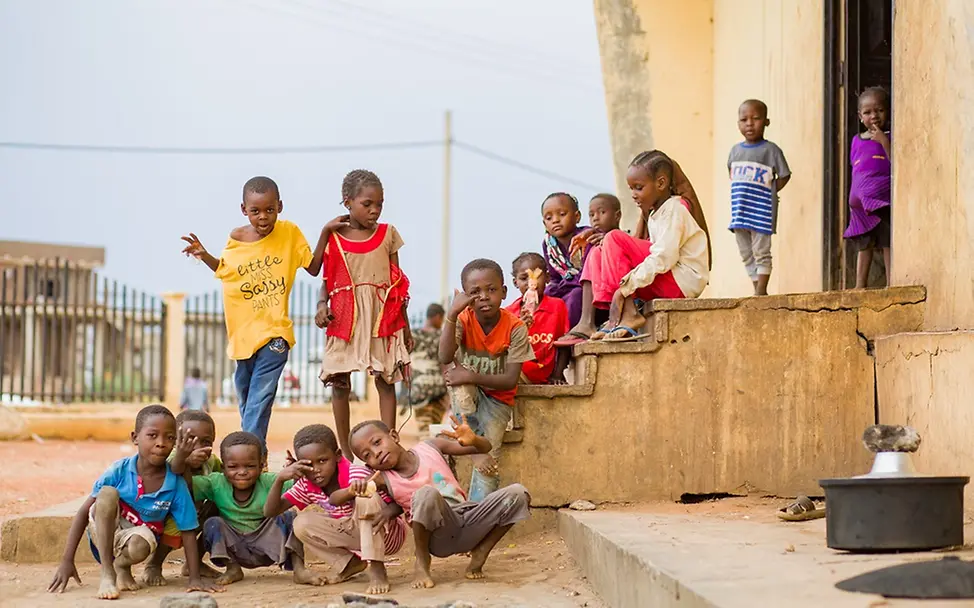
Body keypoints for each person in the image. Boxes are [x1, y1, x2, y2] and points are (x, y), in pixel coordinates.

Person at [180, 176, 334, 446]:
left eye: (269, 210)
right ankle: (253, 455)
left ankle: (245, 451)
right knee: (246, 396)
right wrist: (204, 255)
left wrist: (325, 232)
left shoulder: (289, 233)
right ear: (244, 210)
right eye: (255, 211)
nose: (263, 217)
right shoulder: (236, 239)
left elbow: (312, 267)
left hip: (276, 333)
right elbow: (226, 272)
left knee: (260, 398)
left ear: (280, 206)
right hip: (243, 336)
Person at [47, 405, 219, 599]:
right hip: (105, 532)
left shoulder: (175, 483)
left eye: (169, 438)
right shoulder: (119, 470)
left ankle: (120, 566)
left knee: (141, 544)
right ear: (135, 437)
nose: (161, 443)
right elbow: (83, 513)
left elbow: (187, 530)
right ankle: (107, 572)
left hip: (137, 540)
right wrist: (67, 560)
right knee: (108, 493)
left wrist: (194, 578)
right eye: (152, 435)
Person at [349, 419, 530, 590]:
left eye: (377, 442)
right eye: (368, 455)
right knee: (426, 493)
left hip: (467, 519)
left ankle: (482, 550)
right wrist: (356, 487)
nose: (376, 453)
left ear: (394, 436)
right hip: (437, 537)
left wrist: (473, 439)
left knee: (518, 493)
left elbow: (485, 447)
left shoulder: (430, 447)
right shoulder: (383, 479)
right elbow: (339, 497)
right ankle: (421, 559)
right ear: (369, 464)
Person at [316, 169, 412, 458]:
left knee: (386, 380)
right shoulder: (334, 238)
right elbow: (325, 281)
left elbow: (397, 283)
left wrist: (404, 327)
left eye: (379, 204)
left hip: (383, 317)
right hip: (345, 316)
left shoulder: (388, 235)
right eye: (367, 204)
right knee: (340, 382)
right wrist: (322, 307)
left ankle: (389, 441)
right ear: (347, 202)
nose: (374, 210)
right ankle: (345, 453)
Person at [263, 424, 407, 593]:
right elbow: (270, 512)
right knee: (301, 523)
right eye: (308, 465)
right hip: (355, 536)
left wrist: (388, 512)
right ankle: (349, 564)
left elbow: (397, 499)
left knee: (364, 497)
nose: (316, 470)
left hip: (385, 534)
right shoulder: (307, 484)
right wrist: (280, 479)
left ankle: (377, 569)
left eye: (322, 461)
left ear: (338, 455)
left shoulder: (357, 475)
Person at [438, 259, 534, 502]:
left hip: (498, 401)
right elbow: (444, 356)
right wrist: (451, 314)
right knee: (459, 383)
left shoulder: (515, 327)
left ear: (503, 292)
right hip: (468, 400)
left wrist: (472, 375)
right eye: (474, 292)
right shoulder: (463, 319)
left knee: (490, 464)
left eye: (491, 290)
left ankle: (475, 514)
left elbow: (511, 380)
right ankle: (473, 449)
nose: (483, 297)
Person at [589, 152, 710, 341]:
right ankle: (618, 316)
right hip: (668, 278)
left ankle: (629, 313)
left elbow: (664, 257)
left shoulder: (675, 209)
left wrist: (625, 288)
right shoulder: (655, 214)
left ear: (661, 184)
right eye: (631, 189)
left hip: (681, 282)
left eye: (639, 188)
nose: (633, 195)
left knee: (614, 238)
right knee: (599, 250)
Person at [191, 431, 316, 586]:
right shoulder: (216, 483)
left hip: (267, 546)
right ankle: (233, 568)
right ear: (223, 468)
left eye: (250, 466)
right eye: (233, 467)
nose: (242, 472)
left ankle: (299, 570)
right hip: (235, 547)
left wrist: (297, 473)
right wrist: (184, 461)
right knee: (212, 523)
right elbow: (187, 485)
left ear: (262, 465)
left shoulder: (270, 481)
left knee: (290, 516)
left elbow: (300, 489)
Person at [143, 409, 222, 585]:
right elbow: (175, 468)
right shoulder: (169, 457)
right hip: (164, 514)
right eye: (189, 440)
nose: (198, 447)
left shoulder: (212, 462)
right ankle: (154, 565)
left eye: (206, 441)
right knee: (178, 525)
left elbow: (223, 481)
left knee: (219, 509)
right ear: (175, 440)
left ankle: (194, 563)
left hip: (194, 512)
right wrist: (185, 459)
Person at [728, 99, 792, 296]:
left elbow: (784, 174)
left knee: (761, 251)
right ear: (738, 123)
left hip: (762, 211)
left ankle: (761, 290)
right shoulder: (735, 151)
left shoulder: (771, 150)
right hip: (740, 211)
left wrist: (770, 192)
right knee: (746, 253)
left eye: (755, 119)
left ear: (766, 122)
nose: (749, 123)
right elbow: (731, 172)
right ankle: (757, 288)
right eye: (744, 119)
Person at [556, 194, 623, 345]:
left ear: (617, 215)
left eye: (602, 212)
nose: (596, 218)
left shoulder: (622, 238)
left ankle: (586, 323)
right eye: (592, 214)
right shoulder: (590, 238)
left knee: (575, 295)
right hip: (598, 296)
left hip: (614, 294)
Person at [844, 86, 892, 288]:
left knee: (887, 242)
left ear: (888, 111)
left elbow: (895, 161)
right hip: (859, 204)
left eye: (879, 110)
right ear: (859, 115)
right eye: (867, 112)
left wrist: (884, 142)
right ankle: (859, 285)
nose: (874, 116)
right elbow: (855, 168)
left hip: (881, 200)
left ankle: (892, 283)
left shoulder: (890, 136)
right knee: (864, 246)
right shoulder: (856, 140)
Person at [506, 253, 571, 384]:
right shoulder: (509, 313)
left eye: (537, 277)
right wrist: (519, 329)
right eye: (524, 278)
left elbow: (564, 343)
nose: (532, 283)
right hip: (519, 372)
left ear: (547, 277)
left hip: (545, 373)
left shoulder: (557, 306)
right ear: (515, 282)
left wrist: (558, 375)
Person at [541, 192, 590, 327]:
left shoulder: (586, 237)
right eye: (549, 218)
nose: (555, 220)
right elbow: (555, 277)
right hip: (566, 286)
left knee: (574, 296)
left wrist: (564, 285)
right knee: (545, 298)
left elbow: (588, 274)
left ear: (577, 217)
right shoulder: (549, 244)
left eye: (562, 214)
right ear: (544, 223)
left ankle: (571, 333)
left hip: (587, 289)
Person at [405, 303, 450, 432]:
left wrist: (408, 383)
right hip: (438, 390)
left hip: (419, 389)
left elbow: (406, 363)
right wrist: (448, 392)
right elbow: (444, 365)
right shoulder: (441, 337)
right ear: (437, 317)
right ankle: (433, 451)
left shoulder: (413, 336)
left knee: (424, 430)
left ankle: (428, 450)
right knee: (435, 430)